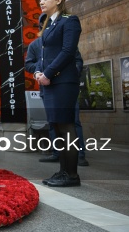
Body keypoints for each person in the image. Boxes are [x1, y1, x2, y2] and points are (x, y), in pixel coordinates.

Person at [34, 0, 82, 187]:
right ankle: (62, 171)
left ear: (59, 0)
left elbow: (68, 51)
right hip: (51, 82)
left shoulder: (69, 21)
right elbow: (43, 55)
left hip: (63, 81)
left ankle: (71, 175)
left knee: (66, 126)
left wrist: (48, 73)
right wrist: (39, 71)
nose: (41, 2)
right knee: (57, 126)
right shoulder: (50, 25)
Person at [25, 14, 89, 166]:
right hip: (46, 87)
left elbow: (76, 60)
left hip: (65, 86)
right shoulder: (35, 45)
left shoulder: (64, 39)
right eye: (44, 24)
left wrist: (69, 73)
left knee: (72, 121)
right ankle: (57, 152)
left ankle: (79, 154)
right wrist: (40, 71)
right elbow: (29, 64)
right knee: (53, 121)